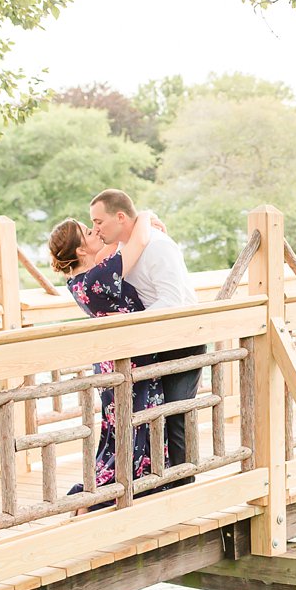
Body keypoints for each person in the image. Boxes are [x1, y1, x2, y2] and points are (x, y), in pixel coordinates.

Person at [88, 188, 204, 488]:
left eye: (99, 221)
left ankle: (185, 487)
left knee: (177, 415)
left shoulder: (158, 246)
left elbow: (174, 300)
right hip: (153, 343)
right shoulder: (125, 248)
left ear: (121, 216)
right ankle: (159, 485)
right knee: (156, 420)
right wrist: (147, 214)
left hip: (182, 339)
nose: (96, 228)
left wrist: (129, 321)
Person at [47, 217, 164, 506]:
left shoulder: (79, 282)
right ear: (79, 251)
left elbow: (113, 244)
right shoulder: (98, 277)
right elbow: (136, 242)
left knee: (118, 428)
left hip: (112, 361)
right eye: (88, 232)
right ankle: (110, 494)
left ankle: (102, 493)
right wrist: (145, 216)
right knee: (137, 424)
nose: (94, 231)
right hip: (130, 360)